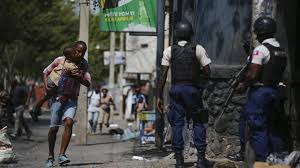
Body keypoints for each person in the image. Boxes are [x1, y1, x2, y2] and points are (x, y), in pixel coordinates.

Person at [229, 17, 287, 161]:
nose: (256, 36)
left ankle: (261, 161)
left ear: (261, 33)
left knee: (258, 128)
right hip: (276, 92)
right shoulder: (281, 50)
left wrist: (243, 85)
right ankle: (277, 160)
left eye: (257, 33)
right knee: (273, 128)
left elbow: (253, 74)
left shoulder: (261, 50)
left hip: (260, 93)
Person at [156, 21, 211, 168]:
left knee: (177, 125)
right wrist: (196, 74)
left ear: (176, 34)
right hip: (192, 90)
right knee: (198, 122)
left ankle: (179, 160)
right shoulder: (198, 49)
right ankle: (200, 159)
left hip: (176, 90)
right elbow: (207, 72)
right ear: (191, 34)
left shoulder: (169, 50)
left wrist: (159, 96)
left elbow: (162, 75)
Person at [45, 41, 91, 167]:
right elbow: (46, 71)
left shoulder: (84, 65)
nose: (80, 54)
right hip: (57, 98)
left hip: (71, 99)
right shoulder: (61, 60)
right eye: (78, 51)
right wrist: (47, 87)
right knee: (54, 128)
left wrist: (77, 77)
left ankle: (62, 155)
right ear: (73, 50)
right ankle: (50, 156)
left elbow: (87, 83)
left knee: (69, 122)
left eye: (83, 52)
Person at [32, 47, 84, 120]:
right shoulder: (65, 62)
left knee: (46, 97)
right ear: (68, 56)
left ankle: (35, 110)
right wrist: (46, 86)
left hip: (55, 81)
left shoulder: (75, 62)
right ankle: (35, 110)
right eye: (75, 53)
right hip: (54, 82)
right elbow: (45, 72)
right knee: (49, 96)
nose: (77, 54)